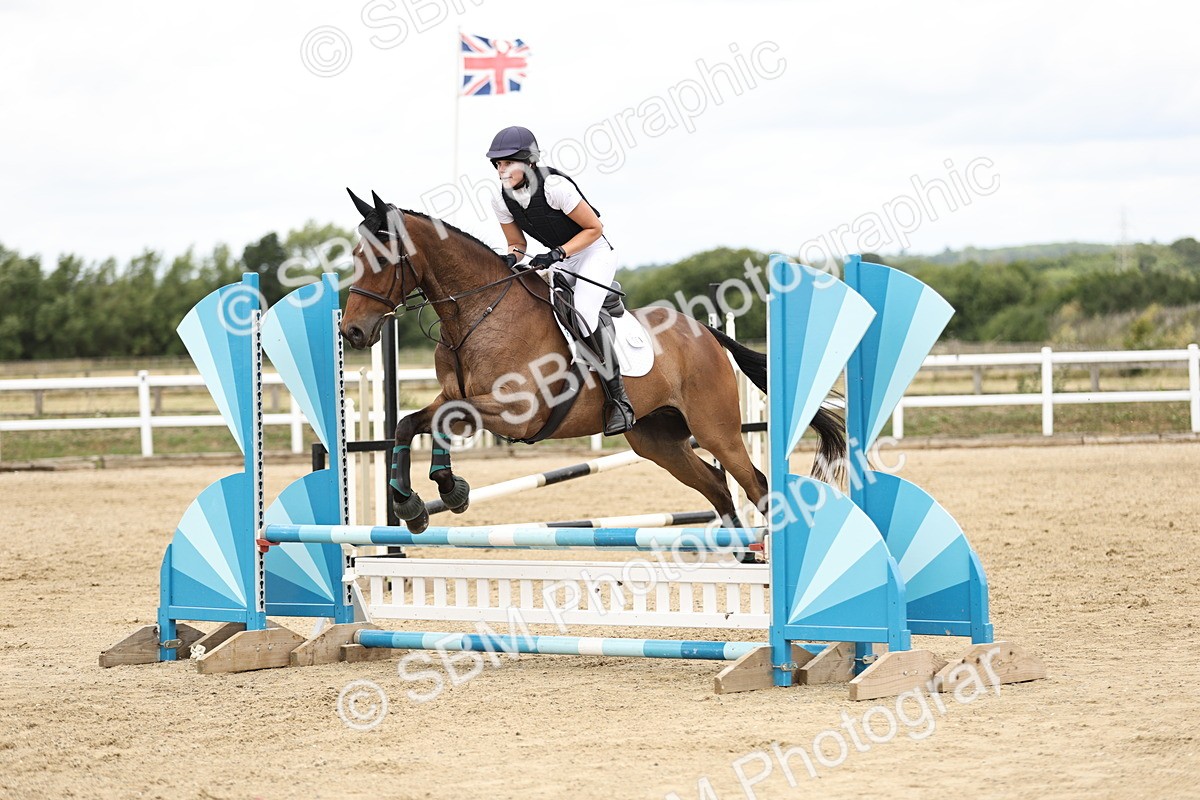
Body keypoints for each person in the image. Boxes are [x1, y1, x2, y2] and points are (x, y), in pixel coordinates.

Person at [487, 125, 635, 436]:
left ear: (528, 162)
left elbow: (594, 229)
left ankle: (619, 400)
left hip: (593, 252)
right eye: (498, 165)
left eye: (508, 163)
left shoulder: (555, 187)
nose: (502, 171)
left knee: (581, 313)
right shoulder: (501, 200)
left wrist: (557, 253)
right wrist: (510, 260)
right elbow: (517, 244)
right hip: (563, 258)